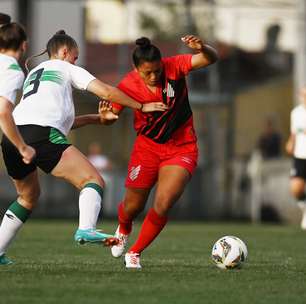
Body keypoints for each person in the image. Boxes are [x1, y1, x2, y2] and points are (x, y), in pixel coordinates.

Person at [0, 30, 167, 265]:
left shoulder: (35, 73)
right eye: (76, 57)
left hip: (12, 136)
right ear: (66, 52)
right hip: (41, 134)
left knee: (27, 196)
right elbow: (107, 92)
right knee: (93, 181)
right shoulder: (65, 67)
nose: (76, 62)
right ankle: (86, 229)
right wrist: (142, 106)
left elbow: (61, 123)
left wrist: (96, 118)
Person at [100, 35, 218, 268]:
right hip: (147, 148)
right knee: (133, 206)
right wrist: (105, 119)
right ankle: (124, 228)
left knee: (164, 202)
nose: (154, 76)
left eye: (157, 71)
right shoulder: (127, 85)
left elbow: (210, 59)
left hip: (181, 147)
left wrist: (202, 47)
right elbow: (110, 117)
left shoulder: (174, 66)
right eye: (147, 73)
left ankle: (134, 252)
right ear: (136, 69)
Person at [0, 13, 36, 265]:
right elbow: (3, 112)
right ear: (24, 45)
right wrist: (22, 146)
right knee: (29, 194)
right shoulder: (13, 71)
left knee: (30, 192)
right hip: (12, 139)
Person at [286, 87, 306, 230]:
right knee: (296, 189)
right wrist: (290, 142)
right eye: (303, 94)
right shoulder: (296, 113)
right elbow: (294, 132)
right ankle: (305, 207)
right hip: (300, 155)